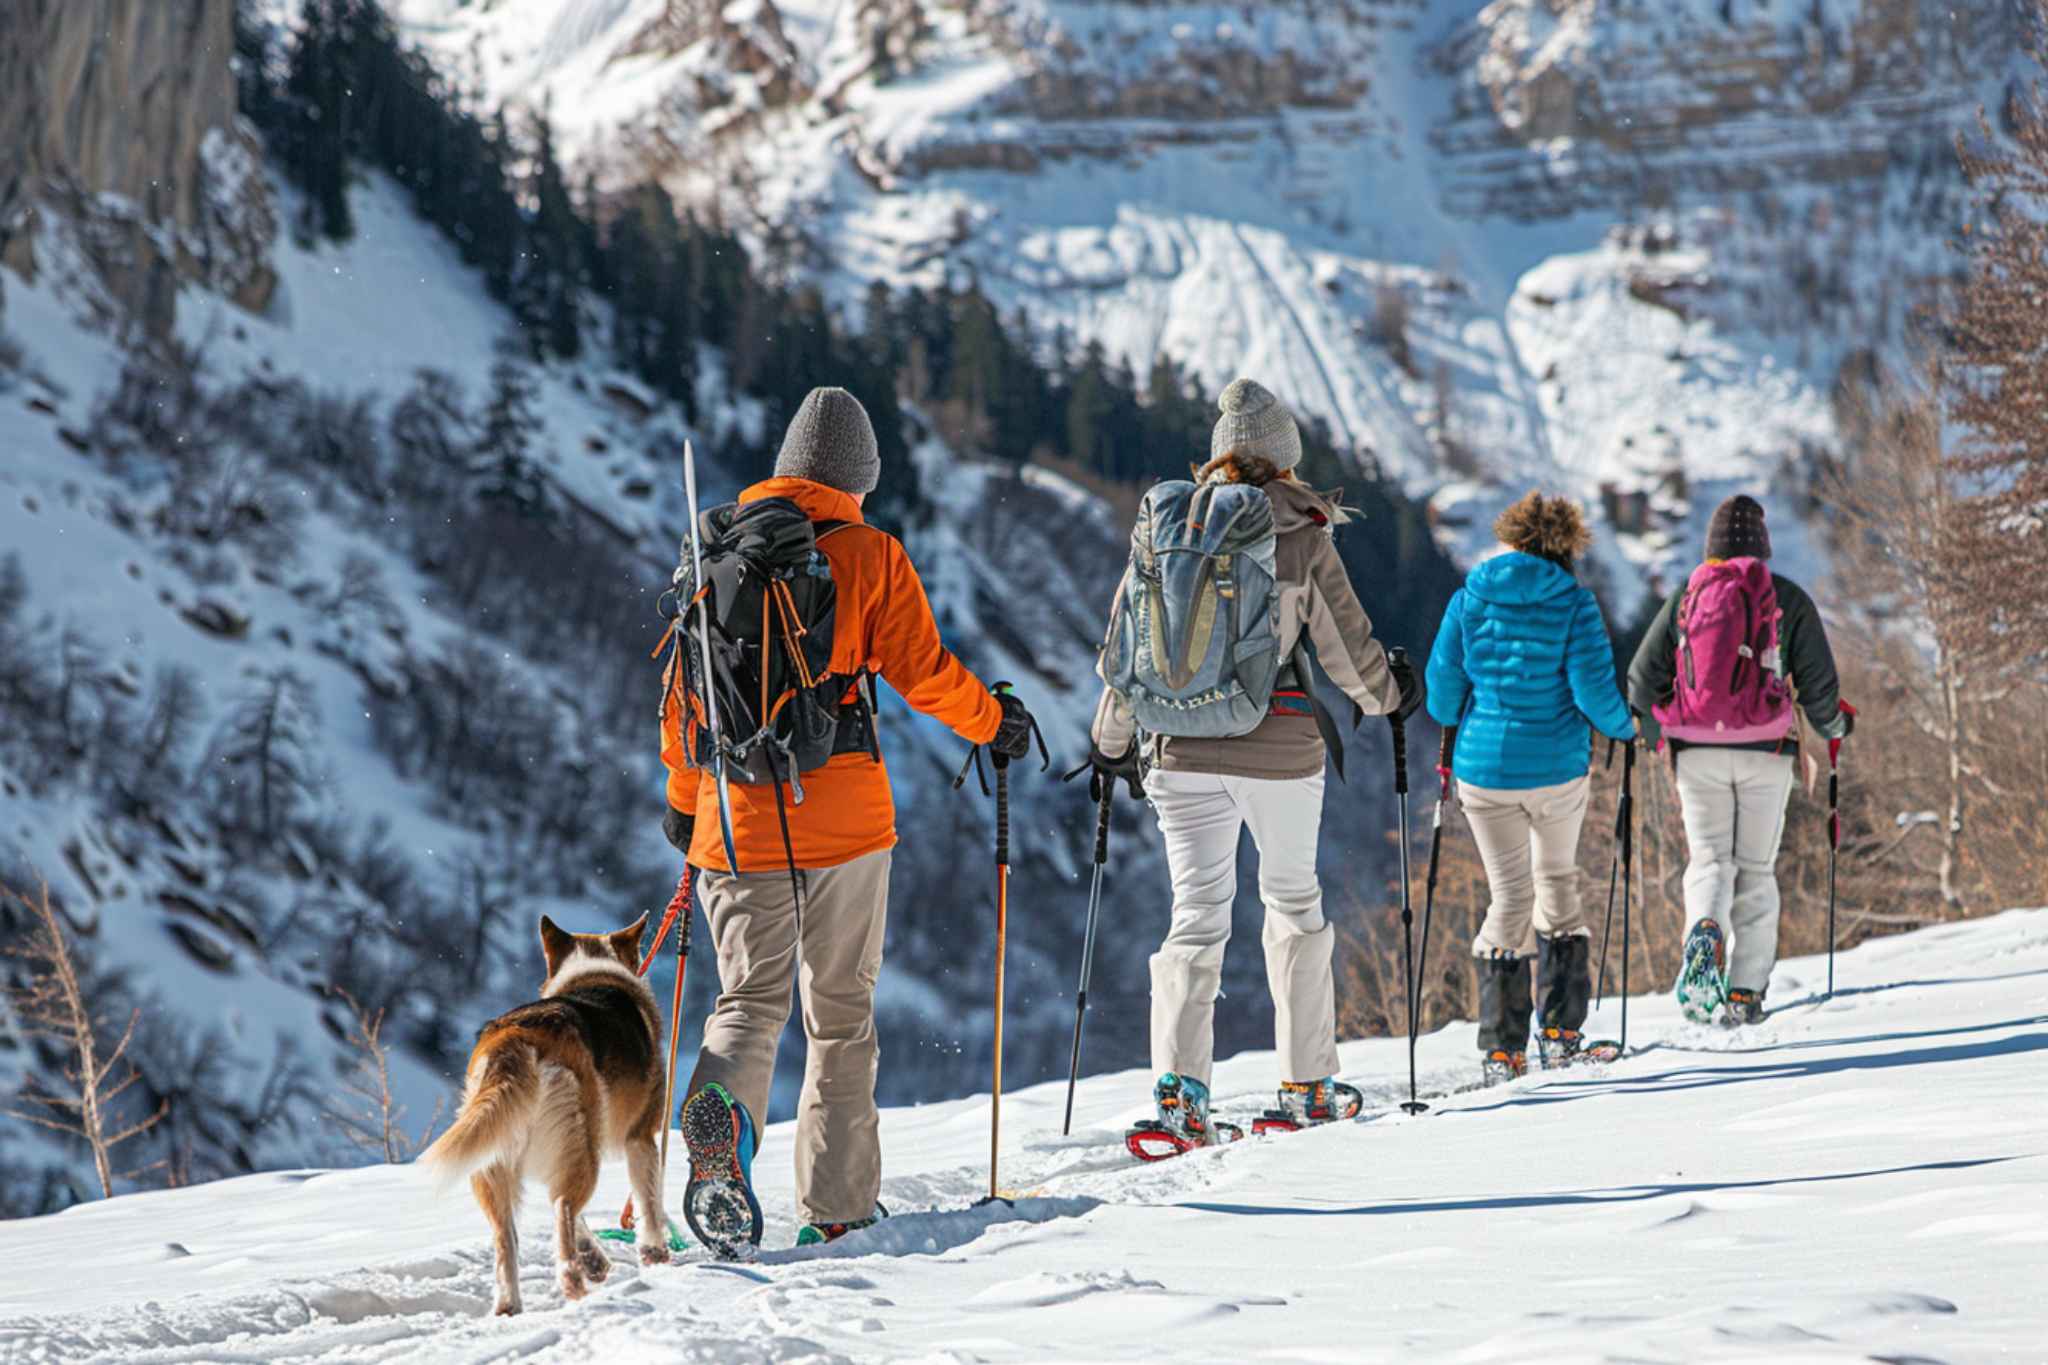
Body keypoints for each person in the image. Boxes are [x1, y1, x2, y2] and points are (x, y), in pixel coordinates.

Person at [659, 387, 1036, 1255]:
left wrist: (687, 804)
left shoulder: (712, 550)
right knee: (840, 1014)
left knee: (747, 1002)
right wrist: (995, 721)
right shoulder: (871, 553)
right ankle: (835, 1205)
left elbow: (683, 706)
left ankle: (724, 1125)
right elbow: (926, 670)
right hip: (848, 825)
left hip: (734, 821)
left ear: (787, 465)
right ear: (859, 477)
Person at [1081, 377, 1420, 1151]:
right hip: (1280, 748)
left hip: (1177, 750)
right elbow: (1347, 652)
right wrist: (1391, 695)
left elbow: (1126, 650)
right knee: (1293, 903)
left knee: (1195, 913)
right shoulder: (1302, 531)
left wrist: (1109, 744)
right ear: (1285, 459)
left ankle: (1180, 1094)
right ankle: (1304, 1083)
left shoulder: (1167, 530)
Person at [1424, 492, 1636, 1084]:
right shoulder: (1574, 603)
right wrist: (1630, 727)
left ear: (1512, 539)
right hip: (1557, 770)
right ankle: (1562, 1032)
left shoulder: (1469, 598)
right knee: (1556, 883)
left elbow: (1442, 694)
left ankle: (1501, 1045)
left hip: (1484, 773)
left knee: (1509, 894)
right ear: (1567, 547)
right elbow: (1594, 694)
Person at [1627, 494, 1850, 1026]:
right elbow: (1820, 690)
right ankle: (1747, 990)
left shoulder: (1688, 595)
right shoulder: (1786, 598)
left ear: (1711, 548)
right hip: (1766, 752)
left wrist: (1664, 729)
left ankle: (1704, 929)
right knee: (1755, 869)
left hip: (1695, 752)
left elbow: (1640, 680)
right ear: (1764, 548)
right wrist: (1837, 728)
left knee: (1709, 861)